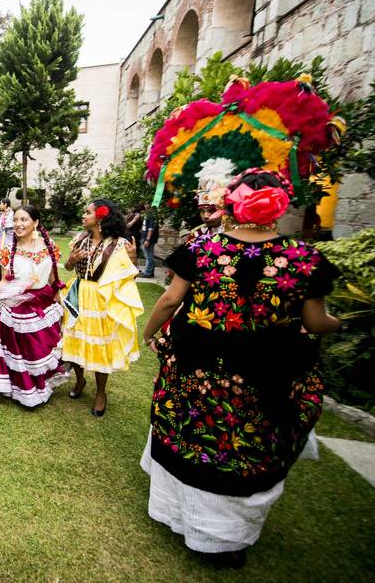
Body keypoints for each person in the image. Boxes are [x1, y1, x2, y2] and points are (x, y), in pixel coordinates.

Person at [140, 168, 340, 566]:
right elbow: (317, 322)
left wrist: (150, 333)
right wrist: (338, 323)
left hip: (199, 367)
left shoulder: (202, 249)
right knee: (247, 447)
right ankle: (227, 538)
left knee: (193, 434)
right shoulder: (304, 258)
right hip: (268, 373)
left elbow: (168, 302)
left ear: (232, 204)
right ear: (279, 207)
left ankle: (183, 516)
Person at [0, 205, 69, 407]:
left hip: (43, 302)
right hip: (17, 305)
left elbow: (54, 277)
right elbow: (5, 280)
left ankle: (41, 386)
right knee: (20, 352)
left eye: (24, 220)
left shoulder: (50, 245)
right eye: (16, 220)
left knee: (41, 349)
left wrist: (59, 299)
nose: (18, 224)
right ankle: (24, 390)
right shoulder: (7, 250)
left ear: (36, 223)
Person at [61, 199, 142, 416]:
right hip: (78, 294)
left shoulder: (120, 244)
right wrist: (71, 259)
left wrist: (134, 261)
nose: (83, 215)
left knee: (99, 345)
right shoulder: (79, 239)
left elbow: (130, 275)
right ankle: (79, 381)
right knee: (74, 340)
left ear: (101, 217)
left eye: (87, 212)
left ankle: (101, 393)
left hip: (101, 299)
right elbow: (69, 267)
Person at [139, 207, 159, 278]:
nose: (145, 205)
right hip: (145, 237)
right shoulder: (148, 214)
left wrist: (148, 240)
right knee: (149, 256)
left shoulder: (151, 215)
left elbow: (151, 228)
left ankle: (148, 273)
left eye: (147, 203)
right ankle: (150, 272)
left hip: (148, 239)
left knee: (149, 256)